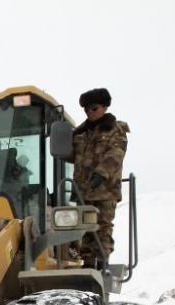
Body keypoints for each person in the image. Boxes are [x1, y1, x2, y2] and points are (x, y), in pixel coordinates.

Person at [70, 87, 130, 268]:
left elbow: (116, 154)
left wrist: (101, 173)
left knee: (103, 227)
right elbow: (71, 156)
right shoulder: (80, 133)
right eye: (86, 109)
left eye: (94, 108)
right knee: (86, 229)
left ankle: (102, 263)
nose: (89, 113)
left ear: (104, 107)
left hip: (105, 190)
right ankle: (88, 263)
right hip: (83, 190)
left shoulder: (115, 130)